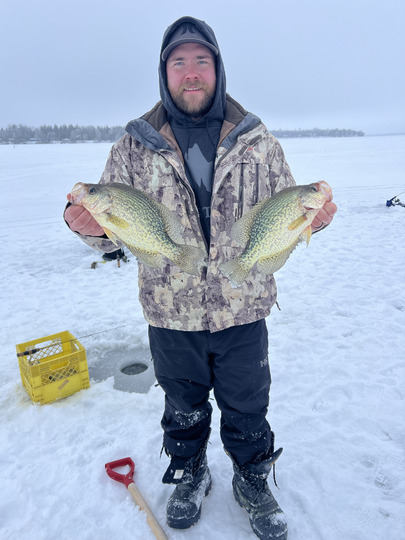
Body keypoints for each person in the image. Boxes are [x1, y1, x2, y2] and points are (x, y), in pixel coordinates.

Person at [64, 16, 337, 540]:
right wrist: (87, 229)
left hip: (245, 305)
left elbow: (285, 218)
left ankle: (253, 478)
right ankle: (189, 472)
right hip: (170, 311)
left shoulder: (260, 143)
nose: (191, 73)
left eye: (201, 61)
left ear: (218, 69)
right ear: (164, 73)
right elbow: (113, 227)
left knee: (248, 402)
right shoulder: (132, 148)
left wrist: (313, 221)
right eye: (179, 62)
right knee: (181, 404)